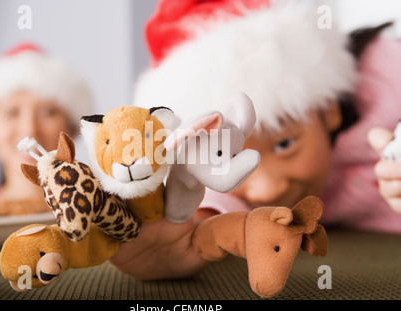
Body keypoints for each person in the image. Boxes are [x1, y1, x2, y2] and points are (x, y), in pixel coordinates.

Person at [109, 0, 401, 281]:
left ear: (329, 110)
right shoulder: (219, 185)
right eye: (228, 156)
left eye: (284, 144)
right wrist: (190, 231)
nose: (265, 190)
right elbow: (206, 198)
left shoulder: (385, 74)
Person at [0, 43, 94, 218]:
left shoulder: (102, 214)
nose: (30, 130)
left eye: (48, 112)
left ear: (71, 127)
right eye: (11, 113)